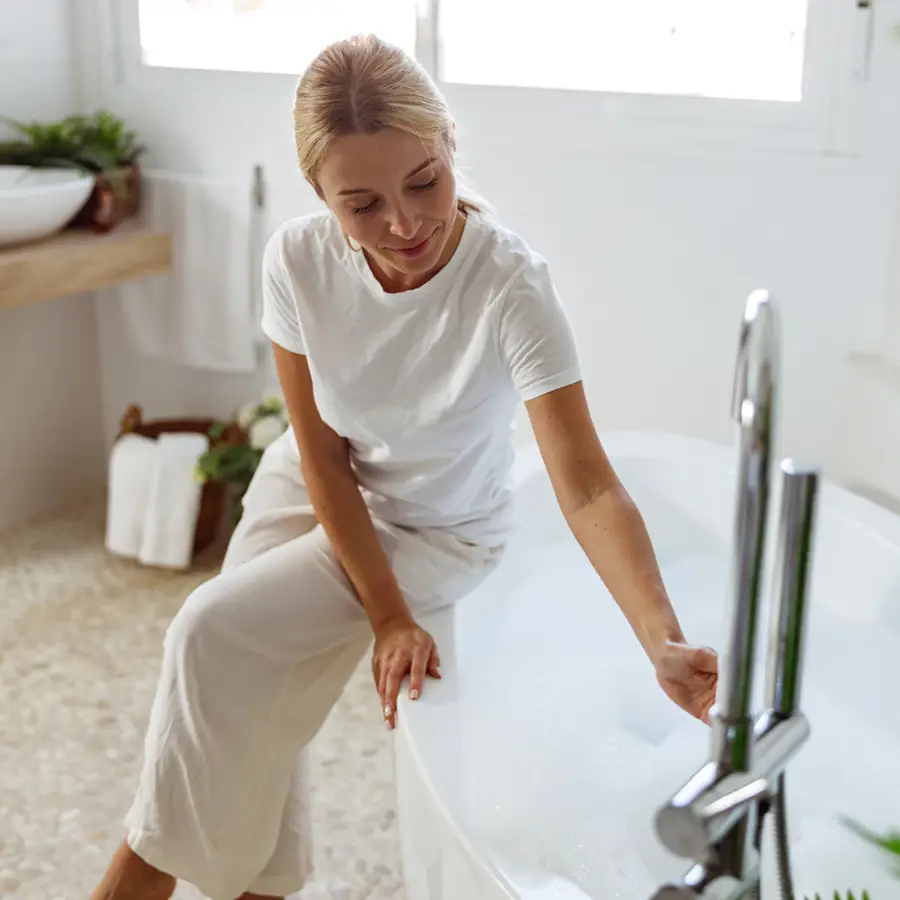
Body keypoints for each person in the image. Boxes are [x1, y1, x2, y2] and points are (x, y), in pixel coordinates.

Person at [90, 32, 719, 900]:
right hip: (314, 477)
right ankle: (259, 888)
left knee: (207, 633)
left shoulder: (510, 286)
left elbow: (586, 484)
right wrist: (384, 614)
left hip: (440, 525)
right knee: (247, 682)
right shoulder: (297, 261)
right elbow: (316, 450)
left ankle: (136, 879)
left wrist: (659, 635)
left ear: (450, 143)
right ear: (320, 195)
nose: (403, 223)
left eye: (424, 181)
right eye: (361, 204)